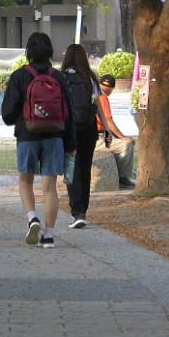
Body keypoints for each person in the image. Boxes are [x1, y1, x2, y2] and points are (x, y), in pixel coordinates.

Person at [0, 31, 76, 249]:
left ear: (28, 52)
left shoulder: (19, 76)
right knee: (50, 186)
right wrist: (71, 144)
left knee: (25, 180)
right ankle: (49, 235)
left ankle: (32, 218)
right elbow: (69, 113)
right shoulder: (59, 77)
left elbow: (7, 114)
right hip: (55, 136)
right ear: (50, 51)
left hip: (27, 135)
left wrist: (20, 118)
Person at [60, 44, 103, 227]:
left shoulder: (62, 77)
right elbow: (98, 105)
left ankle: (75, 210)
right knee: (85, 168)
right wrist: (106, 127)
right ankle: (82, 211)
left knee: (71, 167)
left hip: (69, 128)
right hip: (89, 128)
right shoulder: (90, 77)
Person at [95, 74, 137, 191]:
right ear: (113, 89)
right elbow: (108, 121)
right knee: (126, 144)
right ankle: (123, 179)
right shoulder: (102, 97)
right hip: (94, 140)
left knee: (119, 142)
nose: (105, 88)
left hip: (87, 137)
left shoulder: (91, 94)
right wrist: (123, 137)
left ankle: (124, 174)